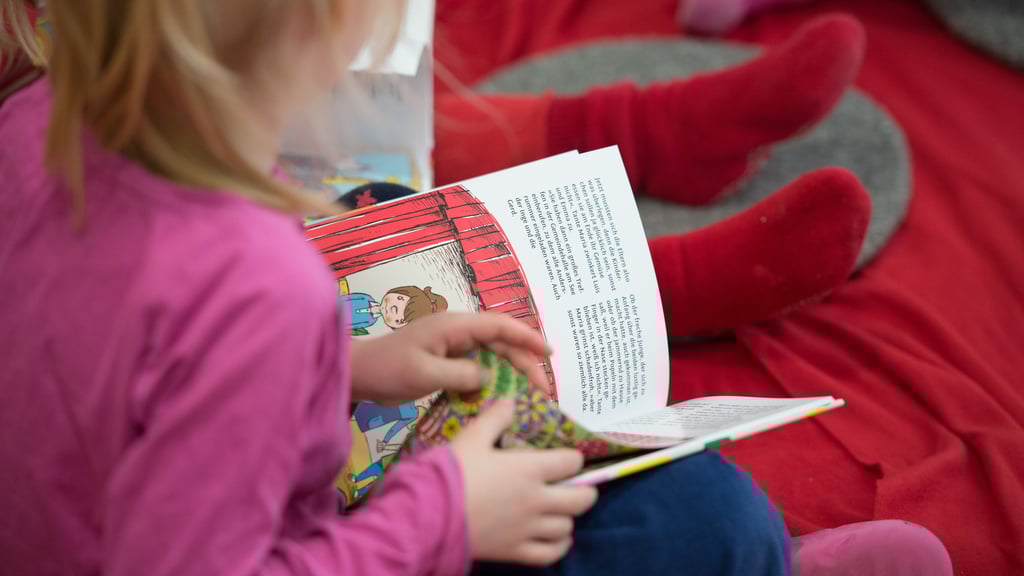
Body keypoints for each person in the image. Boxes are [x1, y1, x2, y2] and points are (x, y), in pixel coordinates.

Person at [0, 1, 791, 576]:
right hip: (282, 527)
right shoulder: (258, 289)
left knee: (369, 200)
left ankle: (668, 247)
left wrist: (346, 364)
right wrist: (444, 516)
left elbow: (121, 358)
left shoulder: (34, 121)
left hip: (86, 506)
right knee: (705, 519)